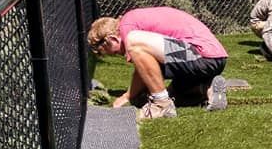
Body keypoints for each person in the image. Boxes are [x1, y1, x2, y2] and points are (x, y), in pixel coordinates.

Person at [88, 6, 229, 120]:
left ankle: (161, 105)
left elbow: (140, 69)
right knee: (174, 94)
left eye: (113, 52)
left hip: (201, 55)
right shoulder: (133, 19)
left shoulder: (128, 27)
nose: (118, 55)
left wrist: (127, 96)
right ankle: (207, 88)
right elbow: (149, 69)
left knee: (134, 41)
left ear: (112, 39)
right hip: (214, 59)